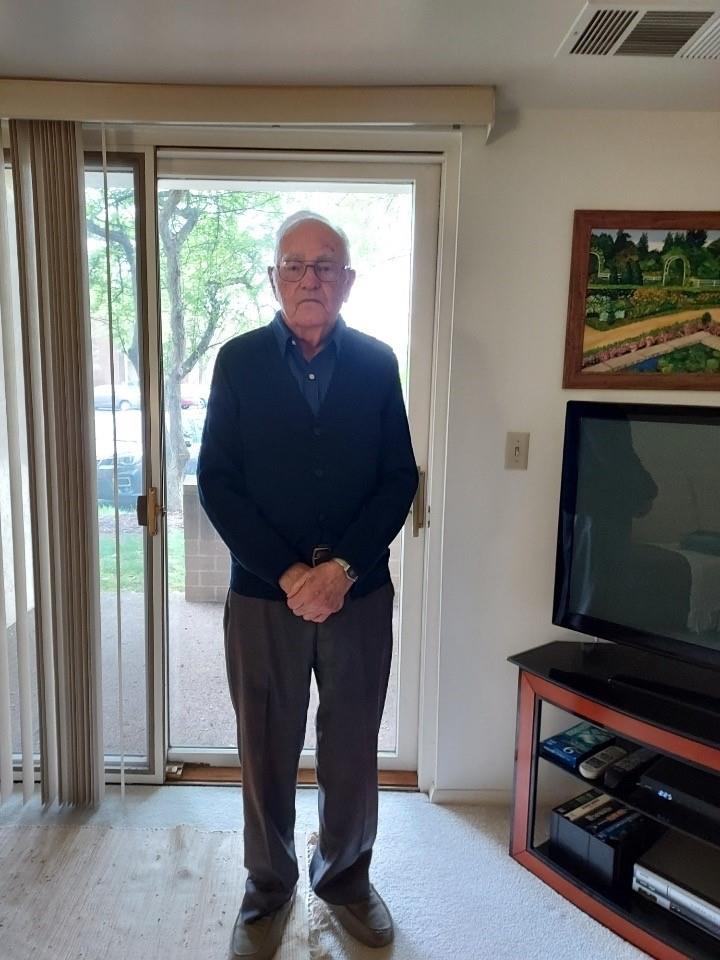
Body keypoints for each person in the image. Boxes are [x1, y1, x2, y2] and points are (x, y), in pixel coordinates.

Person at [197, 210, 419, 960]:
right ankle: (268, 888)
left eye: (326, 264)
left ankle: (347, 879)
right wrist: (293, 573)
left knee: (353, 743)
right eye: (294, 264)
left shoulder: (379, 362)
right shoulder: (237, 362)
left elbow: (398, 480)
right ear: (273, 279)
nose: (310, 278)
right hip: (264, 595)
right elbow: (218, 484)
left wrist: (342, 569)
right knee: (264, 745)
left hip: (359, 592)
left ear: (348, 281)